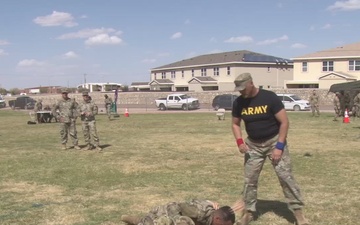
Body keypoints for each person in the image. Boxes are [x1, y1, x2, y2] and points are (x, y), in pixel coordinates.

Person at [231, 73, 309, 225]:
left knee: (286, 178)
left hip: (274, 142)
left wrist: (279, 147)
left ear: (251, 83)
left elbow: (284, 122)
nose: (241, 92)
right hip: (253, 145)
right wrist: (240, 142)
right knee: (250, 181)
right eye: (238, 89)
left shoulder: (269, 98)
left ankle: (298, 214)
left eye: (243, 88)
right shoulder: (239, 103)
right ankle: (248, 213)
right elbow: (235, 124)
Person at [121, 199, 243, 225]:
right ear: (217, 219)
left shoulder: (213, 217)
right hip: (164, 213)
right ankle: (137, 221)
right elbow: (179, 206)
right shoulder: (199, 213)